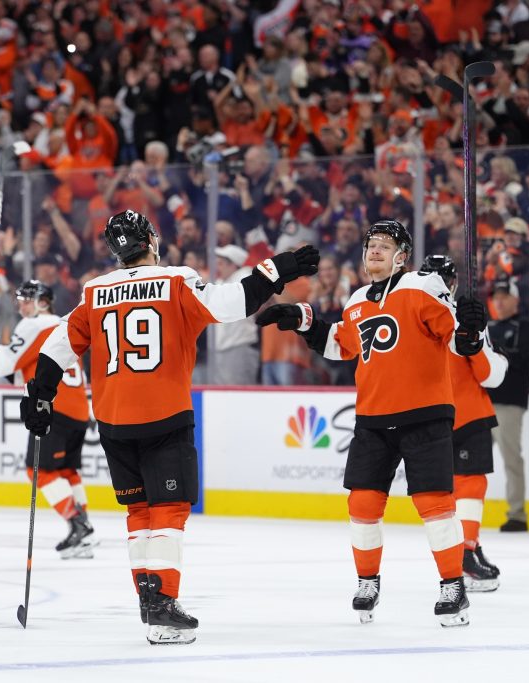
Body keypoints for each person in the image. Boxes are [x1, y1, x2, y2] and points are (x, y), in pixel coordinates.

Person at [21, 209, 319, 644]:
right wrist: (278, 269)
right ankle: (161, 603)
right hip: (163, 413)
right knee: (169, 509)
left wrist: (40, 396)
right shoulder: (176, 280)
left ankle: (150, 602)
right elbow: (233, 303)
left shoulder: (95, 290)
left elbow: (57, 348)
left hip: (113, 419)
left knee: (138, 512)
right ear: (152, 242)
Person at [256, 220, 488, 628]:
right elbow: (341, 345)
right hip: (373, 418)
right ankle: (368, 582)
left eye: (385, 244)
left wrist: (471, 327)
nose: (375, 250)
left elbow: (456, 340)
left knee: (433, 505)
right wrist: (303, 319)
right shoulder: (358, 299)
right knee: (362, 505)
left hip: (425, 415)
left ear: (402, 256)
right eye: (371, 245)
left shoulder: (424, 286)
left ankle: (453, 585)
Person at [0, 280, 95, 559]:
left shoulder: (34, 326)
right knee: (67, 470)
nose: (22, 305)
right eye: (20, 299)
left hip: (53, 408)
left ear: (43, 302)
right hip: (77, 410)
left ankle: (79, 526)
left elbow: (2, 365)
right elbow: (21, 372)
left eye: (28, 299)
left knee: (38, 470)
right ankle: (85, 531)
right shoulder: (65, 323)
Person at [420, 256, 508, 592]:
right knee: (469, 483)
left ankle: (468, 544)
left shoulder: (409, 312)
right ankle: (465, 552)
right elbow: (489, 375)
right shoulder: (462, 316)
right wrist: (480, 344)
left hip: (429, 412)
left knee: (451, 488)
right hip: (465, 410)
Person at [487, 279, 529, 532]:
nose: (499, 301)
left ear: (516, 299)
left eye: (505, 296)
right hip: (484, 401)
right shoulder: (488, 325)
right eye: (497, 296)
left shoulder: (524, 326)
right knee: (471, 459)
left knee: (511, 458)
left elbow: (518, 357)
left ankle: (518, 514)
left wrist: (493, 353)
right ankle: (465, 507)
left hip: (509, 402)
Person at [211, 245, 260, 385]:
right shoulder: (220, 282)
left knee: (240, 394)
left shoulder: (244, 276)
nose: (217, 268)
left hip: (239, 346)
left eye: (220, 263)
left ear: (233, 265)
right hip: (220, 349)